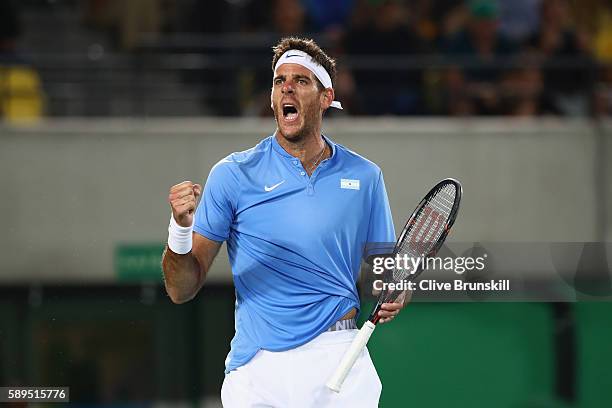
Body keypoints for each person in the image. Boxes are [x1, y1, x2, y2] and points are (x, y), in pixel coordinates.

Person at [162, 36, 407, 407]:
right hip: (259, 370)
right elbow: (181, 290)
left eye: (302, 80)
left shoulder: (366, 177)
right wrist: (179, 231)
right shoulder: (232, 174)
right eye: (280, 81)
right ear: (274, 99)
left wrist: (396, 292)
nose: (287, 87)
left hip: (338, 353)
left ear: (326, 97)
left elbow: (385, 274)